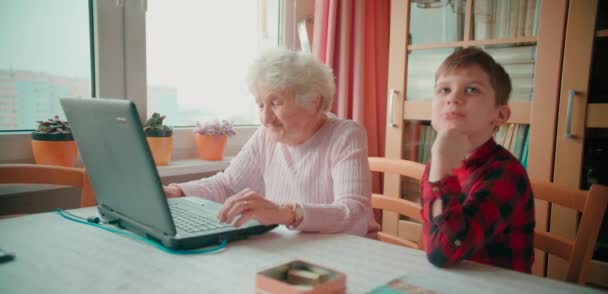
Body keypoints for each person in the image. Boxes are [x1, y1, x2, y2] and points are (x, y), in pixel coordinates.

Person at [163, 48, 379, 236]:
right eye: (260, 105)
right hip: (296, 249)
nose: (265, 119)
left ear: (314, 102)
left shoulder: (344, 135)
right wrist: (177, 191)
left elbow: (355, 215)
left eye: (276, 103)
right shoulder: (266, 136)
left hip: (345, 252)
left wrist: (286, 213)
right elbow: (228, 186)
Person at [420, 47, 535, 273]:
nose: (453, 98)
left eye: (472, 89)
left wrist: (441, 162)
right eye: (444, 90)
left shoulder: (506, 173)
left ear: (500, 115)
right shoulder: (438, 163)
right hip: (455, 283)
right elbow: (432, 235)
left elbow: (442, 253)